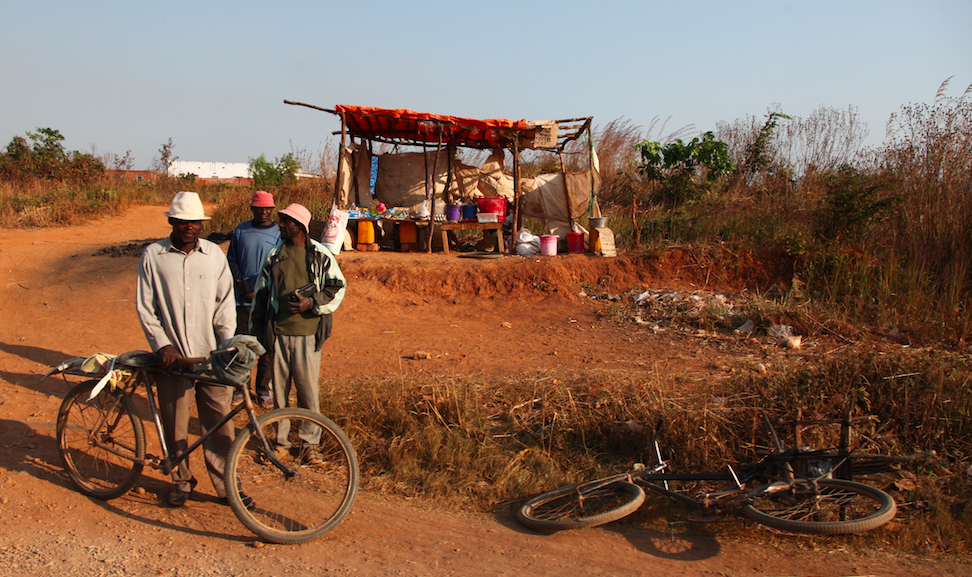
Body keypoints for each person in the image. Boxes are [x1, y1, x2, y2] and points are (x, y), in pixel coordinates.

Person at [136, 191, 238, 507]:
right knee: (175, 424)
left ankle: (227, 487)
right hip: (173, 358)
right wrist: (162, 344)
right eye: (182, 222)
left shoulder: (214, 256)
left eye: (194, 221)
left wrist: (226, 347)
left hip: (210, 356)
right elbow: (146, 306)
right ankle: (181, 481)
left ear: (201, 224)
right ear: (172, 222)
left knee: (220, 424)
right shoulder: (153, 256)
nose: (188, 227)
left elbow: (225, 305)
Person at [250, 203, 346, 464]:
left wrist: (311, 302)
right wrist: (258, 335)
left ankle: (309, 445)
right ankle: (281, 443)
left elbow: (337, 286)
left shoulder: (319, 254)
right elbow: (261, 294)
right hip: (278, 333)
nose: (280, 225)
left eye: (284, 221)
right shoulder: (274, 255)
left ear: (299, 226)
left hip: (308, 334)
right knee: (280, 394)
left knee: (307, 394)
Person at [226, 190, 280, 408]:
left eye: (268, 208)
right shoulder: (241, 230)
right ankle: (241, 389)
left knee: (267, 349)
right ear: (252, 209)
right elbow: (232, 260)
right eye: (260, 208)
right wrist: (243, 284)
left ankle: (263, 391)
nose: (264, 212)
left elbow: (276, 264)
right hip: (243, 300)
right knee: (243, 347)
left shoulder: (278, 232)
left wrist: (256, 286)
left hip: (267, 300)